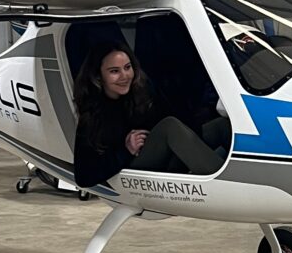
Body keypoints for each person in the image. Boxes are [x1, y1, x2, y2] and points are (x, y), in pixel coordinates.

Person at [72, 42, 224, 188]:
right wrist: (126, 150)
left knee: (222, 126)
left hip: (164, 158)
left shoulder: (141, 93)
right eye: (114, 71)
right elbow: (83, 176)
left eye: (127, 67)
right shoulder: (92, 114)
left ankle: (235, 179)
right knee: (169, 126)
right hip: (131, 172)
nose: (124, 76)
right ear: (98, 76)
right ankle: (225, 185)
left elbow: (176, 122)